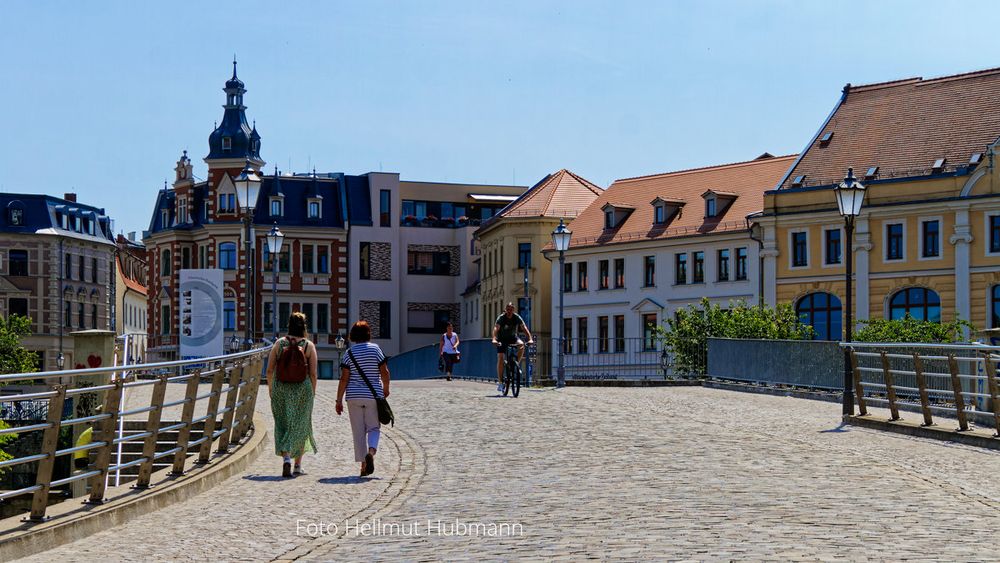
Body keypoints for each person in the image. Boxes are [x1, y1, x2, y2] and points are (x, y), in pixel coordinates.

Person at [265, 311, 318, 478]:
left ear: (288, 325)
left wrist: (271, 389)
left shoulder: (279, 344)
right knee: (301, 426)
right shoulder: (308, 346)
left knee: (283, 424)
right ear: (304, 327)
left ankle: (286, 458)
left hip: (281, 388)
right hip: (303, 390)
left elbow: (269, 370)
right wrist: (313, 392)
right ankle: (297, 465)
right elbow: (314, 373)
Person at [337, 320, 391, 477]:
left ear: (353, 335)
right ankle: (371, 452)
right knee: (373, 428)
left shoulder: (349, 353)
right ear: (368, 334)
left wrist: (338, 400)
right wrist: (386, 389)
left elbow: (344, 379)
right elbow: (384, 372)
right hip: (372, 396)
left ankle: (363, 466)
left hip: (353, 396)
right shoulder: (375, 350)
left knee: (358, 431)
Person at [492, 302, 533, 393]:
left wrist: (530, 338)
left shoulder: (517, 317)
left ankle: (515, 364)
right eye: (508, 309)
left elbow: (524, 328)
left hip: (513, 338)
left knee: (521, 345)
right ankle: (500, 382)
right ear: (506, 310)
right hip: (502, 339)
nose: (509, 311)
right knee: (501, 358)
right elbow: (496, 328)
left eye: (511, 309)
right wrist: (494, 339)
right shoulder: (501, 318)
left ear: (514, 310)